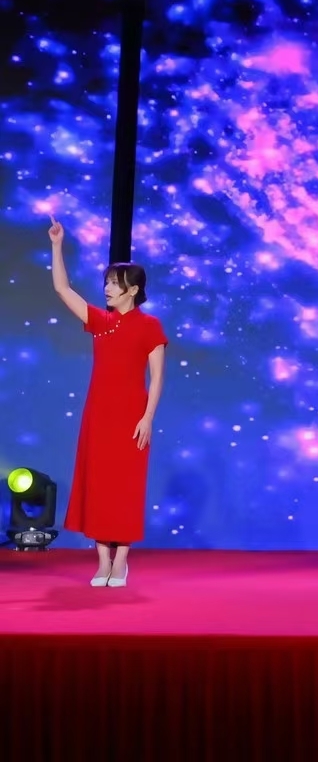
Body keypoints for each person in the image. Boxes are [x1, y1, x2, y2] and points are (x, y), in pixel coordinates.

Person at [48, 215, 168, 588]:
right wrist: (56, 245)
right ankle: (103, 560)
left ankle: (122, 561)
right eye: (106, 283)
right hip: (98, 415)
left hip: (132, 416)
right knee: (98, 484)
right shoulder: (101, 322)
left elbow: (157, 377)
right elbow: (62, 288)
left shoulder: (149, 326)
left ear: (133, 289)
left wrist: (148, 417)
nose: (107, 289)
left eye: (114, 283)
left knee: (125, 486)